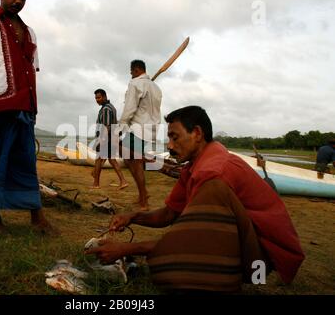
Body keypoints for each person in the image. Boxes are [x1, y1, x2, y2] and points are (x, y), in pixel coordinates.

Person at [87, 106, 305, 293]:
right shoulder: (194, 168)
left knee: (175, 267)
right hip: (242, 242)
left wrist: (126, 249)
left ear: (197, 133)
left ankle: (236, 278)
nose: (170, 146)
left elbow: (196, 239)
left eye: (175, 137)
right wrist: (133, 217)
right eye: (169, 138)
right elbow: (169, 214)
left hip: (264, 260)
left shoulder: (214, 174)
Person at [0, 0, 57, 234]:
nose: (18, 0)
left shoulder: (30, 32)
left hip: (25, 108)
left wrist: (32, 107)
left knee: (26, 162)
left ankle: (36, 216)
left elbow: (30, 71)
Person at [119, 60, 162, 211]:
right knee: (129, 158)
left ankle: (144, 198)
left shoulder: (135, 83)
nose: (130, 75)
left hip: (138, 128)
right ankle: (142, 195)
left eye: (131, 72)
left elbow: (130, 107)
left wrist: (121, 126)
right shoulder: (156, 88)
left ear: (136, 70)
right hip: (151, 128)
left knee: (133, 160)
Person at [91, 89, 128, 190]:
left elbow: (107, 126)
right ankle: (123, 181)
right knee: (112, 160)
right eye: (96, 98)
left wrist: (102, 141)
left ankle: (96, 184)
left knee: (98, 160)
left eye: (99, 97)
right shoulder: (111, 107)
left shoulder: (106, 109)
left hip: (106, 138)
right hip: (112, 138)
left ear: (104, 96)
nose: (97, 100)